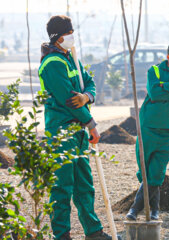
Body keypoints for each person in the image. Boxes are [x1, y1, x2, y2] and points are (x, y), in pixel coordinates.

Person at [38, 16, 119, 240]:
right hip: (62, 132)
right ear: (59, 36)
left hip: (78, 131)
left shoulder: (71, 58)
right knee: (62, 186)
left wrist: (87, 96)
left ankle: (93, 231)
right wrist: (91, 124)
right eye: (70, 31)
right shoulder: (53, 63)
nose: (73, 35)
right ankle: (62, 234)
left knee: (84, 185)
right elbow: (68, 101)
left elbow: (88, 83)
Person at [126, 41, 169, 221]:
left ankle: (135, 209)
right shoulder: (154, 71)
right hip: (149, 126)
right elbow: (154, 93)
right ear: (168, 56)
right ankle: (153, 209)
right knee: (144, 169)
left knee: (157, 171)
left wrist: (163, 86)